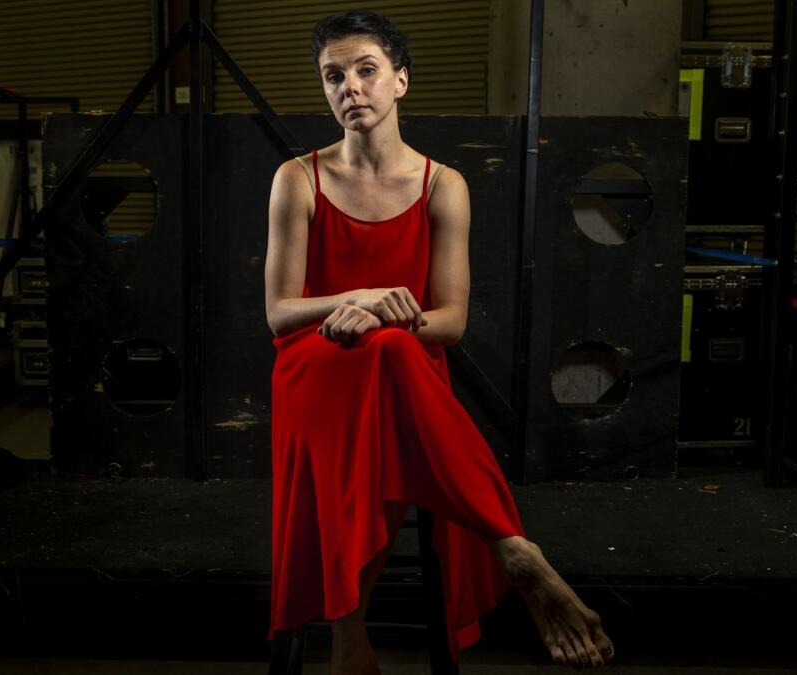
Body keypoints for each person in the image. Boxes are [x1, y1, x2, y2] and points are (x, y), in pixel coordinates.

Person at [263, 9, 614, 673]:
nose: (350, 88)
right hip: (314, 368)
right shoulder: (297, 178)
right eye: (333, 76)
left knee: (392, 355)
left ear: (401, 81)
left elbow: (448, 320)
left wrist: (386, 323)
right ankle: (511, 543)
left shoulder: (442, 185)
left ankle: (348, 639)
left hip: (400, 374)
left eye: (367, 71)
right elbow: (280, 315)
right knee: (388, 360)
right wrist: (358, 299)